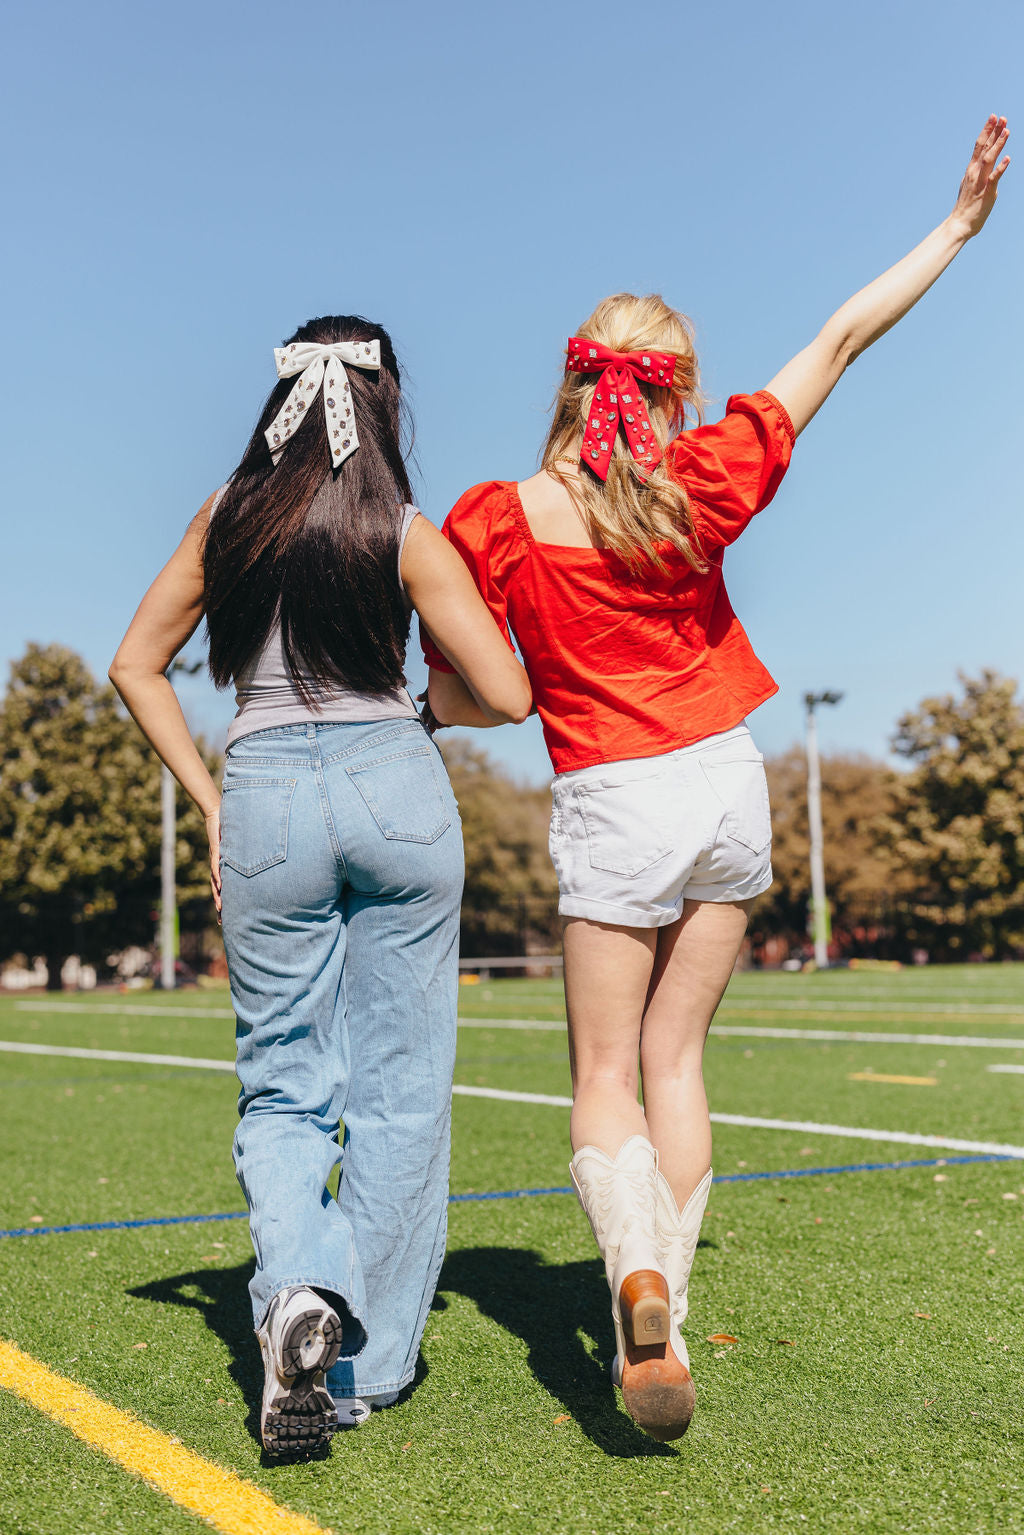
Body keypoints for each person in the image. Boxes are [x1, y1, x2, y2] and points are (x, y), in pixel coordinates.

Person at [423, 118, 1010, 1440]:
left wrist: (432, 711)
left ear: (574, 383)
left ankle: (632, 1272)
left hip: (614, 795)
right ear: (675, 390)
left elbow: (475, 689)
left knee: (604, 1073)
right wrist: (960, 226)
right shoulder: (701, 482)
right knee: (681, 1057)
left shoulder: (499, 520)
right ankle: (662, 1320)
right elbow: (844, 337)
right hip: (729, 782)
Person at [110, 315, 532, 1455]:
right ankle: (371, 1361)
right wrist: (420, 714)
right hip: (394, 779)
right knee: (402, 1091)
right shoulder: (399, 526)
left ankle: (297, 1285)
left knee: (285, 1085)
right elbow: (506, 688)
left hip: (264, 792)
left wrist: (209, 798)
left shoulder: (227, 516)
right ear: (382, 400)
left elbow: (133, 664)